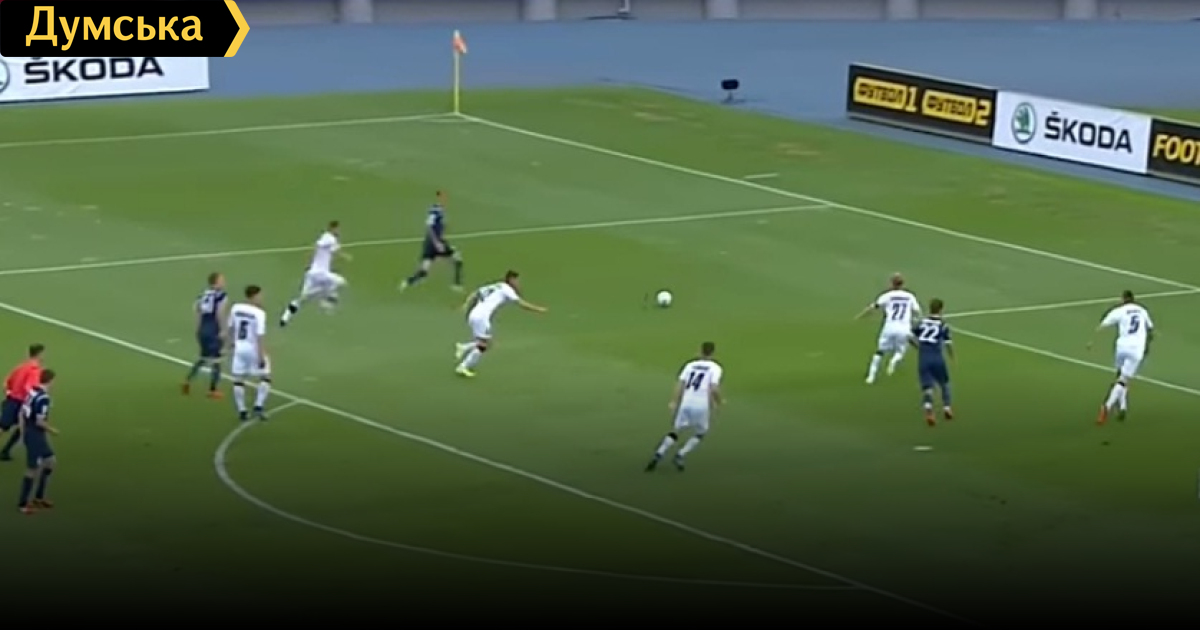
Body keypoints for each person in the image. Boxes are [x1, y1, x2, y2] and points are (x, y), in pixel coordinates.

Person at [645, 342, 723, 472]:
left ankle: (659, 453)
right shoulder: (715, 368)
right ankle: (680, 454)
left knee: (676, 430)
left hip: (686, 403)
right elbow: (714, 387)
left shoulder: (690, 365)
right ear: (713, 353)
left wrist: (674, 401)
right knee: (701, 432)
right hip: (701, 405)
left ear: (700, 351)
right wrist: (719, 402)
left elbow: (680, 384)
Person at [855, 273, 920, 384]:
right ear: (903, 284)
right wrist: (915, 318)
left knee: (880, 352)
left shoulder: (887, 296)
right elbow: (917, 311)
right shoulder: (909, 296)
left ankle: (871, 377)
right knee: (901, 350)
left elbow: (873, 307)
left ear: (891, 283)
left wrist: (861, 316)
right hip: (904, 328)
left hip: (889, 327)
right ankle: (893, 362)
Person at [18, 369, 57, 514]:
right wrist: (52, 430)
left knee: (50, 461)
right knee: (32, 469)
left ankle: (39, 497)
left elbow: (21, 413)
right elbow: (40, 422)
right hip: (35, 435)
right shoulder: (44, 398)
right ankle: (23, 504)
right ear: (50, 381)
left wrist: (23, 432)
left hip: (33, 434)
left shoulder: (32, 392)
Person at [182, 272, 227, 398]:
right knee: (217, 360)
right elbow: (219, 313)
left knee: (203, 357)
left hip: (203, 328)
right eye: (222, 280)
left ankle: (188, 380)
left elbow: (197, 311)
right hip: (213, 329)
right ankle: (213, 389)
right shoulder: (221, 295)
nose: (224, 282)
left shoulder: (203, 294)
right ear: (216, 282)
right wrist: (223, 329)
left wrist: (198, 329)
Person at [0, 343, 44, 462]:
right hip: (23, 403)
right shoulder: (35, 370)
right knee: (23, 427)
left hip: (11, 400)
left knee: (4, 426)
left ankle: (5, 452)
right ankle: (5, 451)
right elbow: (29, 387)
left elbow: (6, 383)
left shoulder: (21, 367)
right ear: (39, 354)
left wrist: (9, 393)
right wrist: (37, 398)